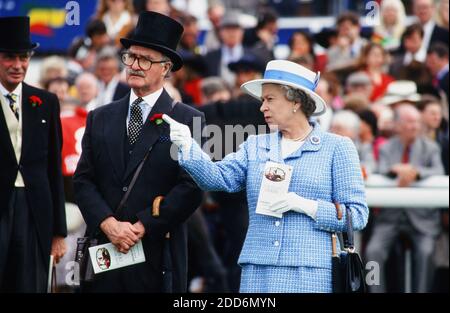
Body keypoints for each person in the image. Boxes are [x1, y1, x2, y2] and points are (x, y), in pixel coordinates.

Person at [163, 60, 369, 292]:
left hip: (311, 273)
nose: (262, 108)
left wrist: (304, 205)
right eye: (262, 100)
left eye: (270, 99)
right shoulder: (255, 144)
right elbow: (218, 178)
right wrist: (188, 147)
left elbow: (357, 215)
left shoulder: (336, 147)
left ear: (296, 101)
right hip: (258, 272)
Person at [73, 11, 204, 293]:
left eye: (145, 59)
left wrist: (142, 225)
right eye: (130, 57)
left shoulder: (188, 118)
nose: (134, 65)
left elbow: (192, 186)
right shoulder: (100, 116)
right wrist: (108, 223)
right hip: (103, 254)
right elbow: (83, 180)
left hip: (158, 254)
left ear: (166, 68)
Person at [0, 16, 67, 292]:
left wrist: (58, 232)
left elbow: (54, 168)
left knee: (31, 284)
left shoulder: (46, 102)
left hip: (35, 212)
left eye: (24, 57)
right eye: (9, 57)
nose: (18, 65)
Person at [365, 104, 444, 293]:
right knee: (372, 252)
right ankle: (375, 290)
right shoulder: (386, 147)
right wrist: (395, 170)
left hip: (422, 218)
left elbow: (438, 172)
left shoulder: (431, 147)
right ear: (398, 125)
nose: (414, 126)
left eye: (416, 122)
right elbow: (380, 169)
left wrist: (415, 173)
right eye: (409, 122)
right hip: (390, 217)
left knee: (426, 252)